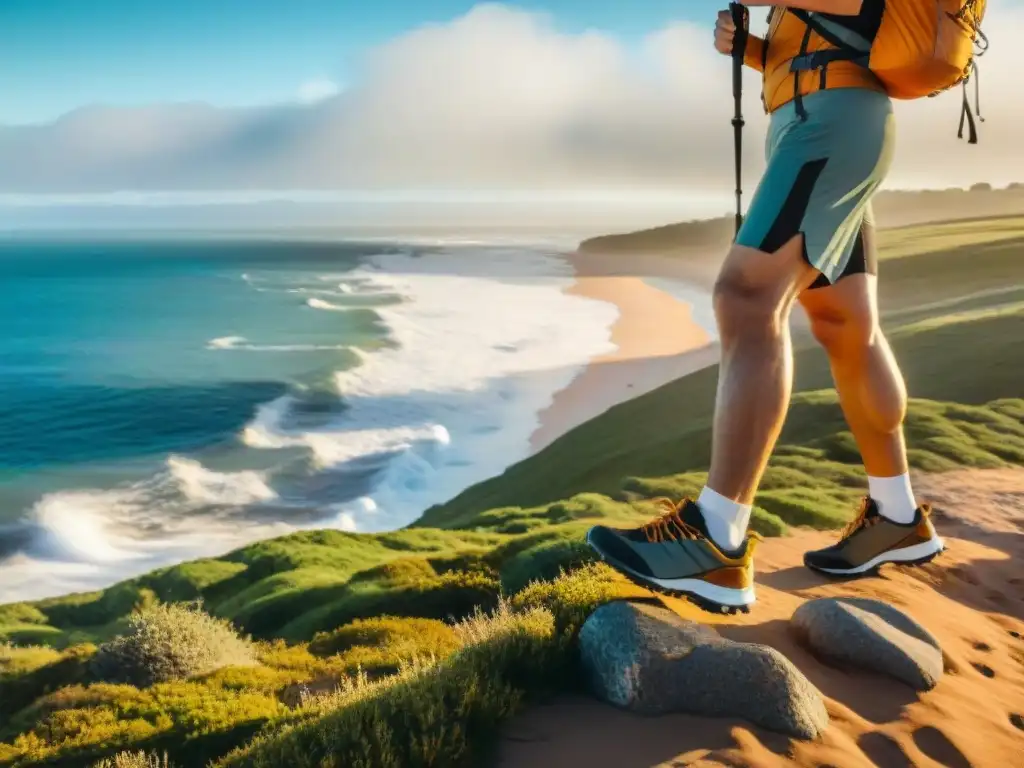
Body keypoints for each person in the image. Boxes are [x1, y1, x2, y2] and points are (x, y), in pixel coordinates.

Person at [586, 0, 945, 614]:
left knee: (747, 296)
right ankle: (898, 514)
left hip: (830, 125)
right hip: (830, 119)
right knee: (844, 323)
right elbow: (844, 29)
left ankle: (715, 540)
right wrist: (753, 48)